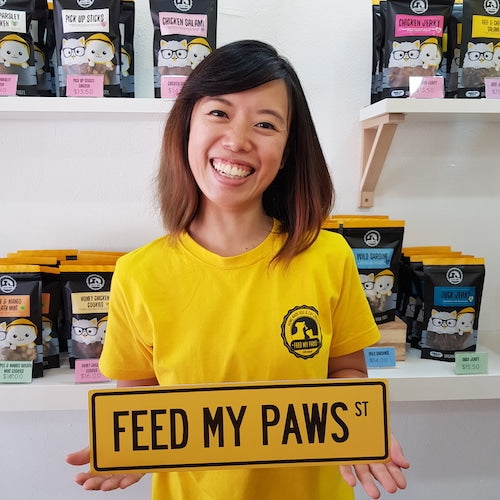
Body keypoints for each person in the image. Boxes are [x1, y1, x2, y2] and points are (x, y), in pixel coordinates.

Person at [66, 39, 409, 499]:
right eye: (219, 113)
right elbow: (137, 396)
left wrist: (361, 428)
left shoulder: (328, 257)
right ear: (186, 124)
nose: (238, 140)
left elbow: (346, 372)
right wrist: (129, 446)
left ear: (287, 151)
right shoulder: (138, 273)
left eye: (266, 124)